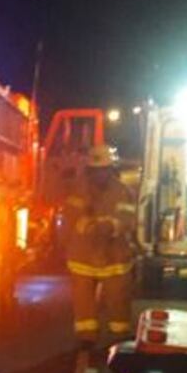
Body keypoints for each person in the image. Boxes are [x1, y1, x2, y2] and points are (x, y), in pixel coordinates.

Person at [64, 145, 137, 350]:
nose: (99, 175)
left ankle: (119, 337)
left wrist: (108, 226)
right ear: (89, 170)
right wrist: (89, 226)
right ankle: (86, 337)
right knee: (83, 301)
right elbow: (70, 216)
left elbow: (126, 219)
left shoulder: (123, 191)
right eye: (95, 170)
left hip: (114, 256)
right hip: (83, 256)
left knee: (118, 299)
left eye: (103, 170)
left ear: (111, 170)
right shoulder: (78, 189)